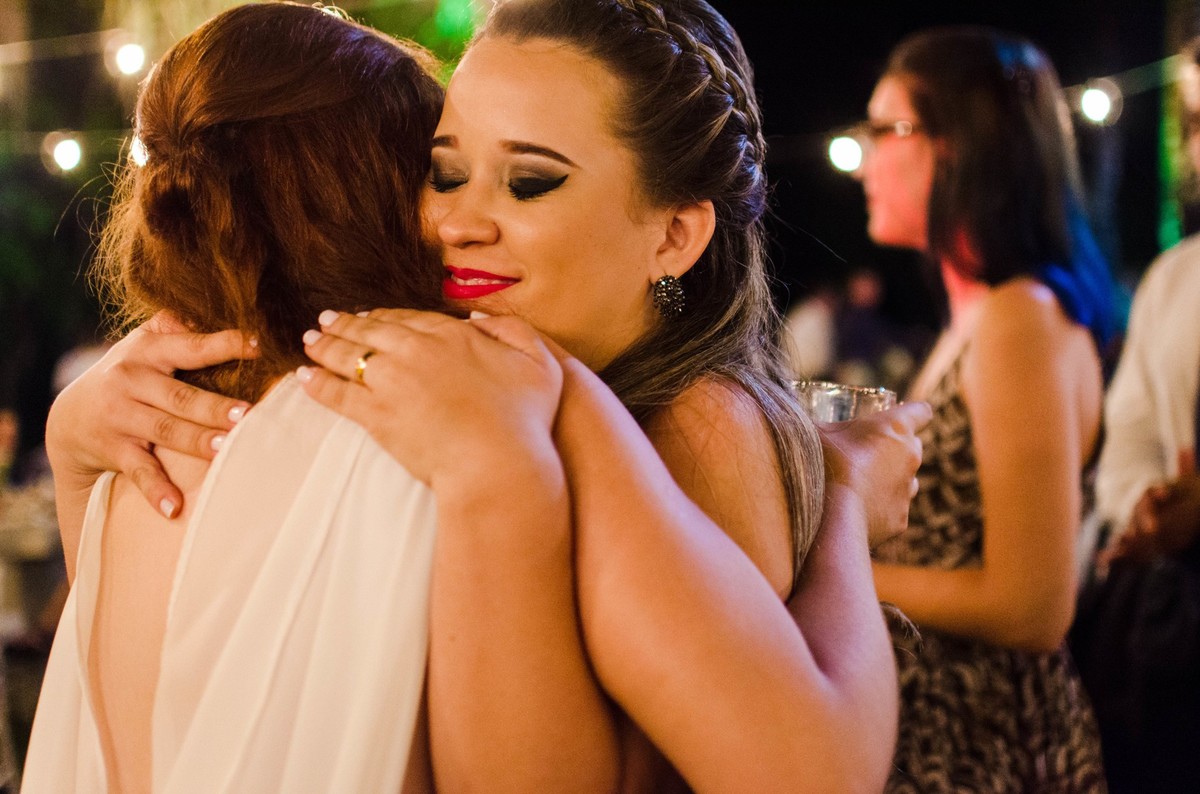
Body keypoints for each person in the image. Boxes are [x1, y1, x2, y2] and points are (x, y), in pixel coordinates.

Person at [43, 0, 928, 789]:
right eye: (443, 172)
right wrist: (78, 452)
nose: (457, 222)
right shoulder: (465, 404)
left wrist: (839, 486)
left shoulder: (687, 419)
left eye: (532, 179)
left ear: (675, 234)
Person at [23, 5, 451, 790]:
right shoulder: (415, 452)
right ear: (368, 195)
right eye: (438, 171)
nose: (455, 213)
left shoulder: (133, 460)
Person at [858, 26, 1116, 791]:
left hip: (989, 744)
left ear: (955, 145)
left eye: (883, 129)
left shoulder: (1019, 319)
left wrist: (838, 568)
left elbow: (1034, 606)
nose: (865, 160)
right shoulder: (981, 317)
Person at [1083, 35, 1200, 793]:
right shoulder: (1173, 278)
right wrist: (1148, 508)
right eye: (1195, 122)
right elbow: (1127, 443)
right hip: (1179, 642)